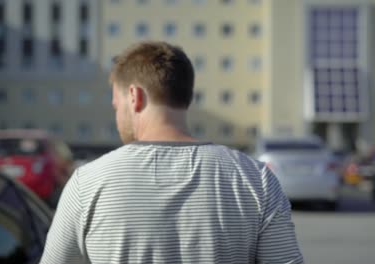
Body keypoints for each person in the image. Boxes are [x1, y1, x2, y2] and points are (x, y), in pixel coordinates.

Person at [40, 41, 304, 264]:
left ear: (134, 96)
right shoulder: (256, 179)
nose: (117, 115)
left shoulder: (87, 183)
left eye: (116, 105)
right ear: (185, 95)